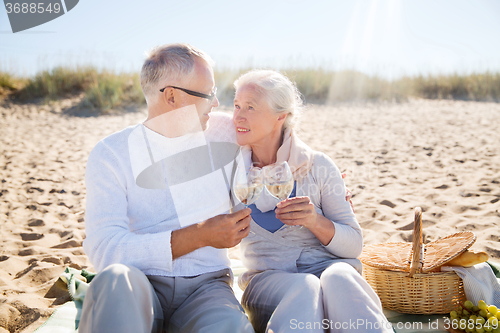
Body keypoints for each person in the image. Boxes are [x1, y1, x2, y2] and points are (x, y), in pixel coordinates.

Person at [80, 43, 254, 333]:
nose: (216, 103)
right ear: (172, 96)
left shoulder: (225, 131)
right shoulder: (111, 153)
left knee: (230, 327)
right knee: (114, 281)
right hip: (139, 284)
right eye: (208, 93)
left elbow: (280, 136)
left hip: (209, 288)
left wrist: (326, 182)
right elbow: (105, 250)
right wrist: (200, 235)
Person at [232, 70, 393, 333]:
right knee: (305, 286)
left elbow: (353, 245)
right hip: (266, 283)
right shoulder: (231, 171)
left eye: (250, 107)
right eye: (237, 105)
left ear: (280, 116)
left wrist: (314, 221)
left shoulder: (319, 165)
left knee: (340, 276)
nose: (238, 116)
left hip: (330, 271)